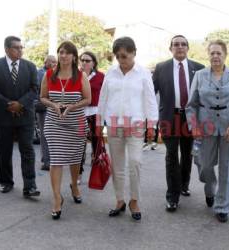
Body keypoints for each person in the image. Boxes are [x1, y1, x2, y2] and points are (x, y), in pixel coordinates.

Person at [186, 40, 229, 222]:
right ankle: (210, 186)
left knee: (227, 168)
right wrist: (194, 125)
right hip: (205, 128)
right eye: (212, 53)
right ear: (208, 55)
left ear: (225, 55)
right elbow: (191, 105)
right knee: (204, 164)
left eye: (219, 53)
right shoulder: (199, 75)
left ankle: (222, 207)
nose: (215, 56)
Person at [97, 36, 158, 221]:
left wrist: (151, 125)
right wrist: (99, 123)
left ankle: (134, 200)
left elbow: (150, 99)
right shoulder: (111, 72)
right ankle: (119, 200)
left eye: (124, 56)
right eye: (118, 56)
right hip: (114, 124)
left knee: (135, 162)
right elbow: (103, 98)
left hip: (136, 124)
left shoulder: (143, 73)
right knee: (117, 166)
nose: (121, 60)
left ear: (133, 53)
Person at [40, 41, 91, 220]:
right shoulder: (49, 75)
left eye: (68, 53)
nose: (63, 56)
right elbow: (42, 98)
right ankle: (56, 198)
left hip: (75, 122)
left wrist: (70, 107)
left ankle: (74, 186)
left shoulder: (81, 76)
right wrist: (54, 105)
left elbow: (87, 99)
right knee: (56, 159)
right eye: (61, 52)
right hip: (54, 122)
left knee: (75, 158)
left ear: (74, 56)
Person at [153, 35, 204, 212]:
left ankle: (183, 184)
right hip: (169, 118)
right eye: (176, 44)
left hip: (191, 119)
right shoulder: (161, 68)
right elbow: (151, 93)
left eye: (183, 44)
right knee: (172, 155)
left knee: (187, 153)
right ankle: (172, 196)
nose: (180, 47)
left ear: (188, 48)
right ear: (171, 48)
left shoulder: (199, 68)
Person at [0, 36, 41, 197]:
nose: (20, 50)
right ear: (7, 49)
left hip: (25, 115)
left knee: (27, 150)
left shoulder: (30, 66)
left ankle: (30, 186)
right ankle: (6, 182)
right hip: (2, 115)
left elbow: (34, 89)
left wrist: (20, 104)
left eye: (22, 47)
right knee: (4, 151)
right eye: (17, 47)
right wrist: (9, 104)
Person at [78, 51, 104, 184]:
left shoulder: (101, 76)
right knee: (79, 145)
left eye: (87, 60)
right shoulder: (75, 75)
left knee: (97, 144)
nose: (84, 62)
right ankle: (78, 173)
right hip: (79, 113)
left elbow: (106, 96)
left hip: (95, 113)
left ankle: (98, 172)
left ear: (93, 63)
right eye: (82, 60)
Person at [36, 55, 57, 171]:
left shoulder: (57, 73)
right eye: (52, 61)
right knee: (45, 135)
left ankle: (54, 159)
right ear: (46, 62)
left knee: (54, 135)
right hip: (43, 108)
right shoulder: (40, 73)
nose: (54, 63)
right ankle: (46, 161)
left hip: (55, 108)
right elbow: (37, 90)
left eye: (55, 62)